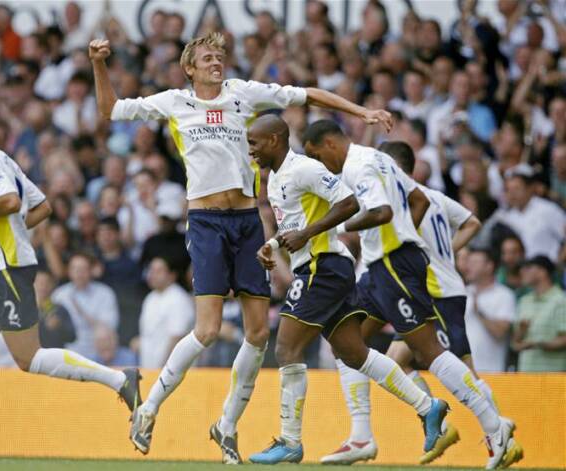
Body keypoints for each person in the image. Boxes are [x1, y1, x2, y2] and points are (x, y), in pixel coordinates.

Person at [89, 32, 393, 463]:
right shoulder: (174, 101)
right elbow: (109, 109)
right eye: (207, 57)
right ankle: (149, 406)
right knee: (208, 330)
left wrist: (360, 110)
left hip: (248, 221)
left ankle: (227, 425)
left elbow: (306, 95)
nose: (217, 61)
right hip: (207, 222)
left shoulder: (244, 94)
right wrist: (99, 64)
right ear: (189, 68)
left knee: (257, 333)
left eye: (220, 56)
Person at [0, 111, 141, 459]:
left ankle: (120, 380)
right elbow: (42, 206)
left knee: (28, 357)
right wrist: (13, 229)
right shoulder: (2, 158)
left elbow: (9, 201)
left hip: (7, 267)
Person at [301, 120, 519, 469]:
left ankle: (494, 426)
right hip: (380, 266)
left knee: (429, 349)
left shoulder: (360, 165)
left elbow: (382, 212)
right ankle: (361, 436)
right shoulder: (380, 158)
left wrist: (346, 226)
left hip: (392, 264)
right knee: (346, 341)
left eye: (317, 156)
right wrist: (402, 237)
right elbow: (416, 200)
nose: (323, 165)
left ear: (329, 143)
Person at [245, 115, 448, 465]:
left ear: (276, 140)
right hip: (320, 267)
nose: (251, 150)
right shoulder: (276, 179)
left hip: (322, 267)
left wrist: (307, 235)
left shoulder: (304, 169)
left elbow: (350, 202)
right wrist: (274, 243)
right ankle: (427, 406)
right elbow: (297, 223)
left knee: (286, 348)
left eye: (255, 142)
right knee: (353, 354)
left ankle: (291, 441)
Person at [464, 249, 517, 372]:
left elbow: (500, 332)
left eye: (474, 262)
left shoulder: (505, 295)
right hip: (462, 373)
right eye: (468, 262)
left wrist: (479, 312)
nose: (468, 266)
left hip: (492, 371)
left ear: (489, 266)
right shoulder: (461, 292)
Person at [138, 257, 194, 368]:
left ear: (172, 275)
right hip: (149, 369)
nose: (153, 274)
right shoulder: (150, 297)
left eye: (159, 271)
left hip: (172, 372)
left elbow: (177, 337)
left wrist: (165, 369)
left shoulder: (178, 298)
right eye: (151, 270)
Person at [512, 256, 566, 372]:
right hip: (526, 376)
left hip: (553, 378)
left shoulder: (561, 300)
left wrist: (537, 344)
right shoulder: (524, 301)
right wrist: (521, 331)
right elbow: (515, 343)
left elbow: (564, 339)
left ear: (543, 272)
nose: (522, 271)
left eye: (528, 268)